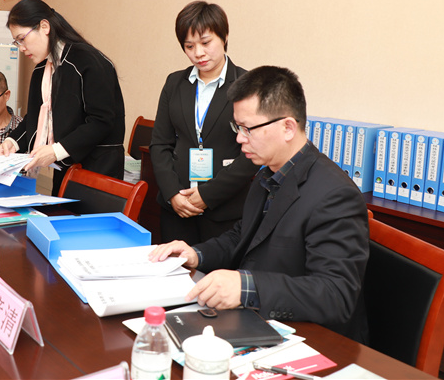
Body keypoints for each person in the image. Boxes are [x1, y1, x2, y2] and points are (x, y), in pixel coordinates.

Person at [149, 66, 369, 342]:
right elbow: (242, 236)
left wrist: (246, 287)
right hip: (258, 321)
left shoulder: (335, 195)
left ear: (287, 127)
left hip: (315, 339)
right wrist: (195, 254)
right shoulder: (268, 173)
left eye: (248, 129)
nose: (239, 138)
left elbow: (335, 295)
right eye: (237, 127)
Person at [150, 1, 259, 244]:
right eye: (189, 46)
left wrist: (207, 195)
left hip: (225, 211)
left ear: (224, 36)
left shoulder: (247, 85)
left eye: (206, 43)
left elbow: (253, 154)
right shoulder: (174, 83)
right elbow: (160, 144)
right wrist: (172, 194)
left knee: (216, 268)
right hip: (177, 208)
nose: (198, 53)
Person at [0, 0, 126, 192]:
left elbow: (101, 121)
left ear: (44, 27)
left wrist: (56, 150)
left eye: (22, 39)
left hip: (98, 170)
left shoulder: (87, 61)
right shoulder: (42, 68)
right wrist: (12, 142)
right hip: (65, 169)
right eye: (17, 42)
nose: (21, 48)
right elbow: (34, 118)